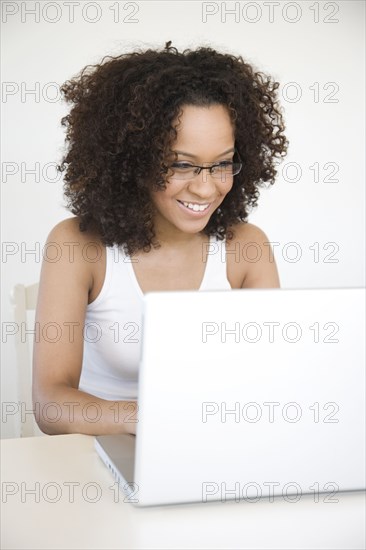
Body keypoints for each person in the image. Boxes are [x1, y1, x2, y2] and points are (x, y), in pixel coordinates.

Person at [32, 41, 288, 436]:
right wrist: (156, 418)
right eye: (182, 165)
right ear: (132, 160)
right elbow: (51, 404)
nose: (206, 190)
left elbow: (269, 378)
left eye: (222, 164)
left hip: (212, 445)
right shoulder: (77, 245)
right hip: (99, 454)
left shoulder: (247, 248)